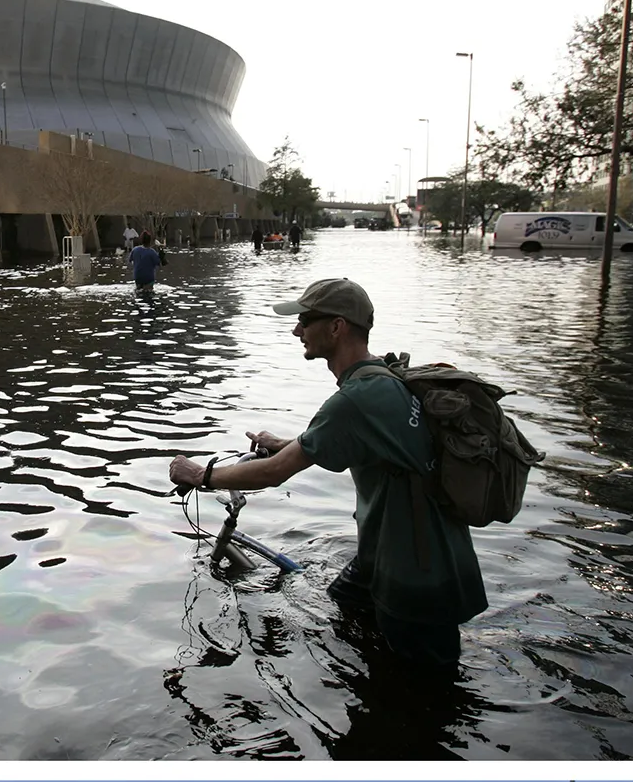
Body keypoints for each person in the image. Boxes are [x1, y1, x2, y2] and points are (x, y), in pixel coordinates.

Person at [168, 276, 487, 670]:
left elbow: (273, 474)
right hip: (387, 558)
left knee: (422, 699)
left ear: (336, 327)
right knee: (346, 614)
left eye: (306, 320)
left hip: (415, 576)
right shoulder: (380, 377)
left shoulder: (354, 400)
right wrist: (285, 441)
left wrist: (201, 474)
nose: (296, 329)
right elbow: (350, 439)